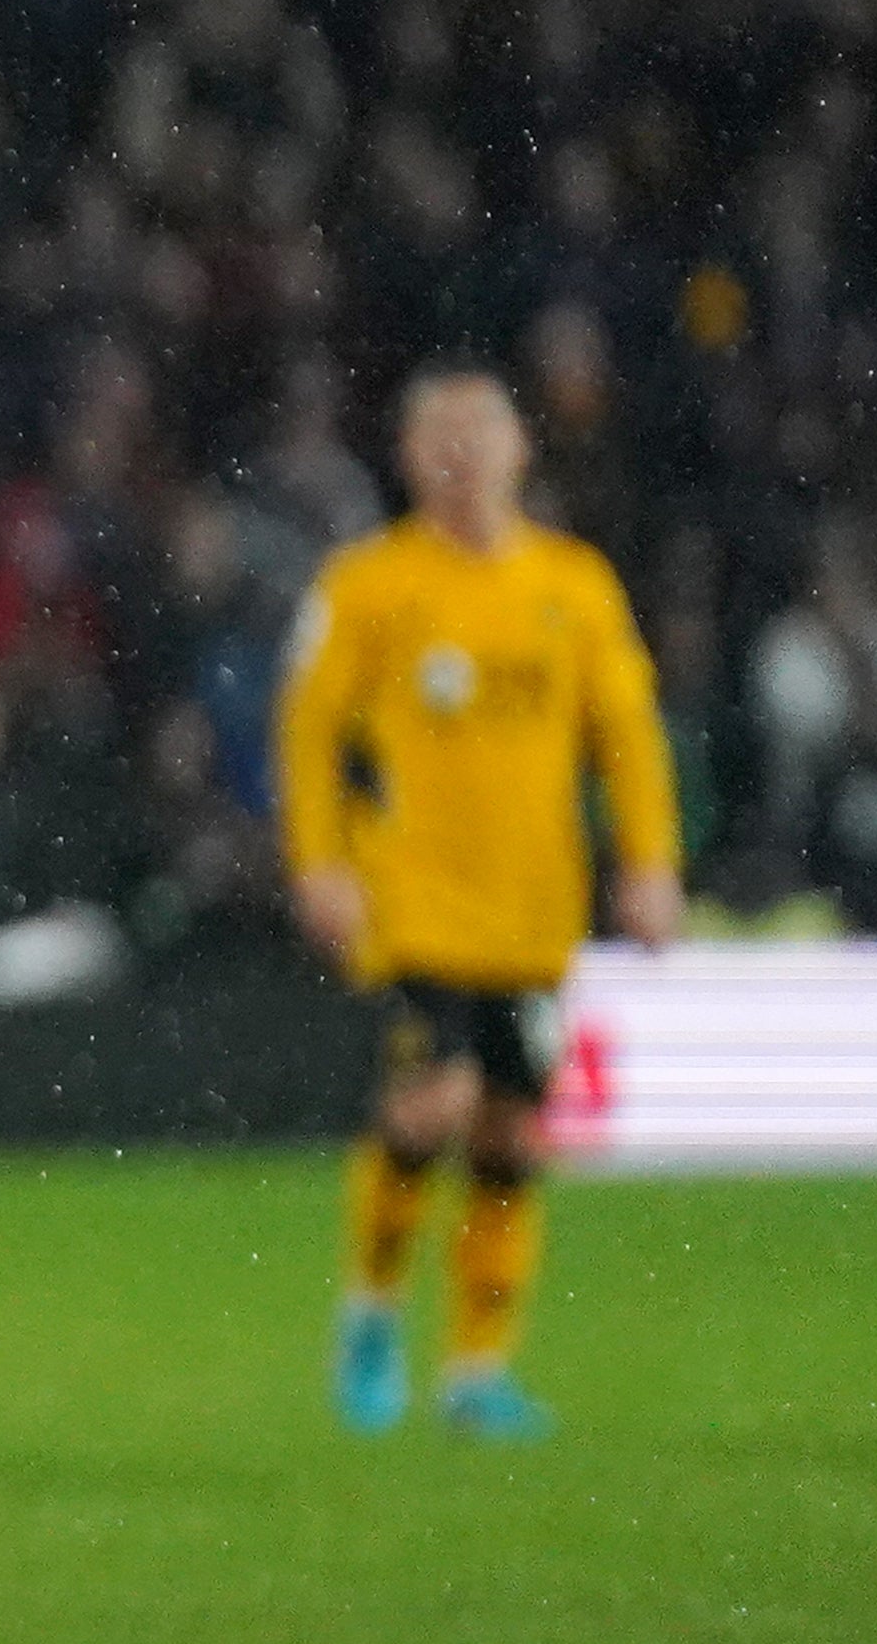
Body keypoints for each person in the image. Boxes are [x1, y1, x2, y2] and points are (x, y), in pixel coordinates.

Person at [277, 366, 681, 1443]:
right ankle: (370, 1312)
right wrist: (319, 861)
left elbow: (627, 735)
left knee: (512, 1134)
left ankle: (475, 1372)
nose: (461, 454)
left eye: (481, 433)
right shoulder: (368, 585)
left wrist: (649, 861)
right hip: (412, 903)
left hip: (532, 911)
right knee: (434, 1099)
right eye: (439, 436)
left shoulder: (573, 584)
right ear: (409, 458)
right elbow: (310, 729)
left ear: (520, 452)